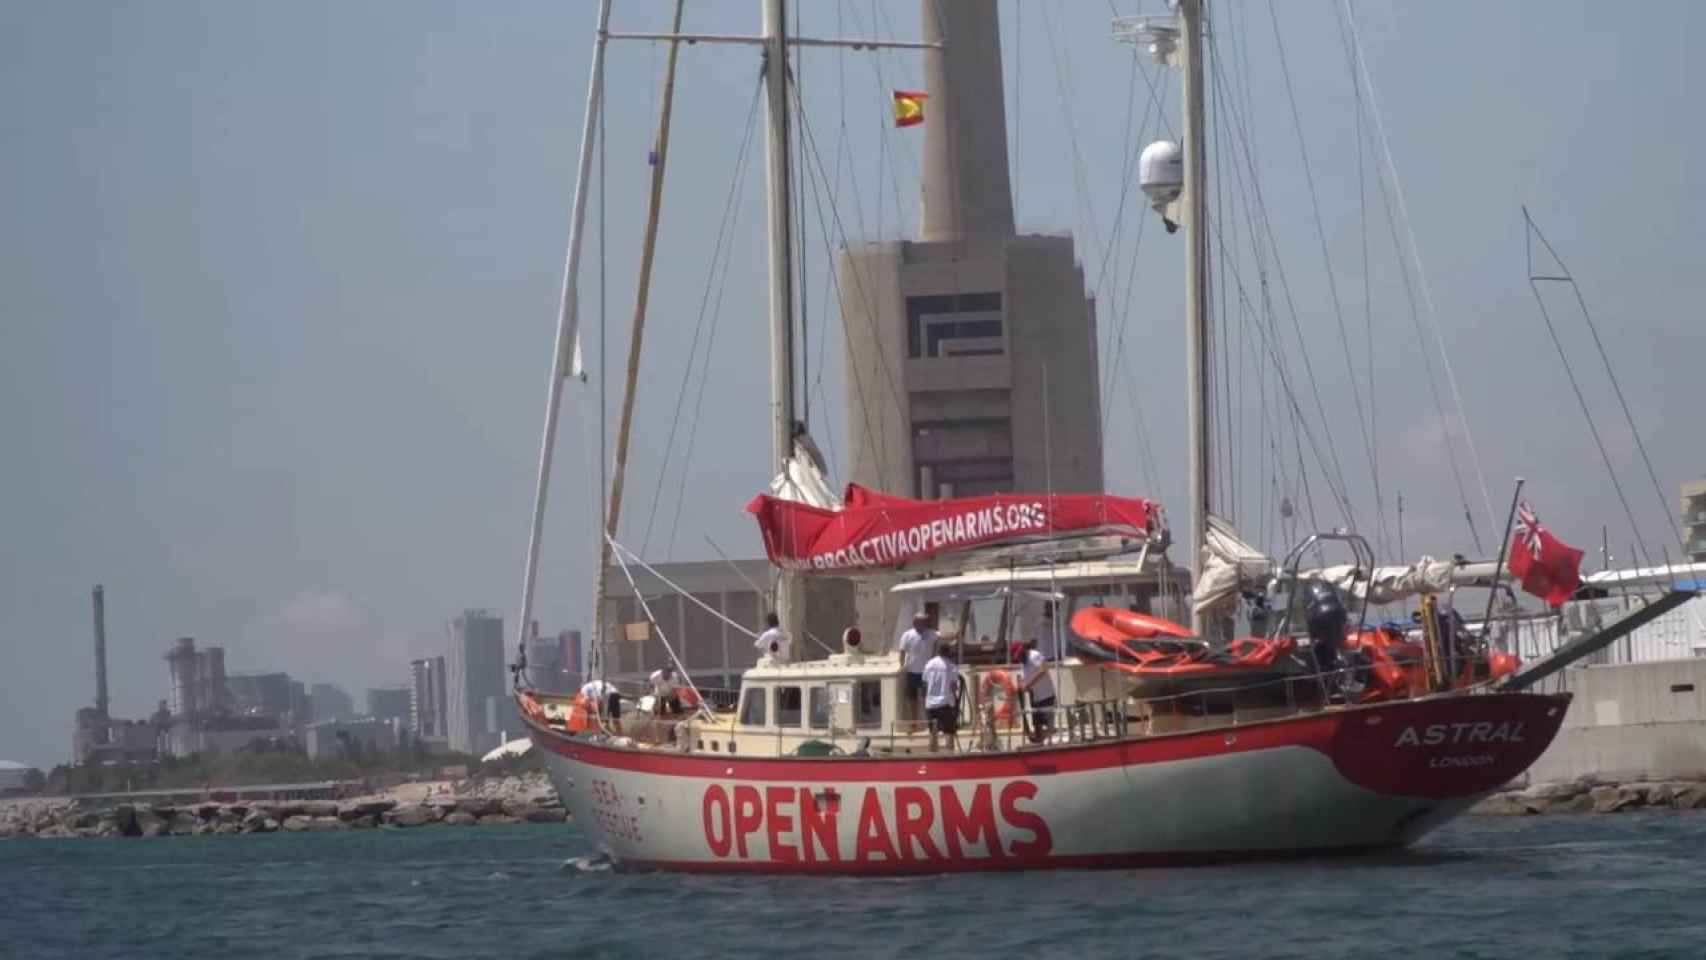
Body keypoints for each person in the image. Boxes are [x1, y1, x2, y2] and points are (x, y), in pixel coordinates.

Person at [1014, 638, 1056, 744]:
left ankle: (1048, 742)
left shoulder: (1034, 655)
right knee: (1037, 723)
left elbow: (1043, 670)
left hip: (1045, 695)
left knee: (1047, 723)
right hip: (1035, 696)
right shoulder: (1023, 663)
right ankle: (1039, 742)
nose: (1019, 658)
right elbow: (1024, 677)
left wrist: (1029, 684)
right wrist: (1022, 685)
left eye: (1019, 655)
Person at [897, 612, 937, 721]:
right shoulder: (907, 635)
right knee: (912, 699)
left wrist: (957, 634)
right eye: (922, 621)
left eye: (925, 622)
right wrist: (902, 665)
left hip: (926, 673)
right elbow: (902, 652)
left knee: (927, 698)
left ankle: (928, 722)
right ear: (915, 623)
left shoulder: (931, 634)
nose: (925, 624)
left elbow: (943, 635)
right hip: (911, 672)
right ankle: (914, 722)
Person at [922, 642, 961, 752]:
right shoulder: (952, 666)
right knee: (949, 732)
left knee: (932, 733)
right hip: (945, 703)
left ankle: (933, 758)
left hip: (930, 704)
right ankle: (950, 758)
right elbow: (953, 687)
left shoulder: (929, 664)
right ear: (948, 652)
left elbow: (925, 683)